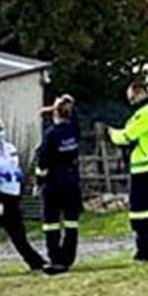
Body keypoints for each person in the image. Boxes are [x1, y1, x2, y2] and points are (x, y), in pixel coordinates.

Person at [0, 119, 51, 278]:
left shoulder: (10, 149)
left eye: (2, 129)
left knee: (17, 232)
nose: (1, 132)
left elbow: (15, 167)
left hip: (11, 194)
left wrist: (18, 175)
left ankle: (35, 262)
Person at [109, 80, 148, 262]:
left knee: (139, 211)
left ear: (138, 94)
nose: (131, 103)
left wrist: (112, 134)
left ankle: (144, 252)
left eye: (131, 98)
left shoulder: (145, 114)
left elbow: (127, 136)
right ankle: (146, 248)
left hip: (141, 164)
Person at [33, 94, 82, 270]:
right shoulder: (74, 129)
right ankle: (68, 257)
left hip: (53, 184)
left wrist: (39, 181)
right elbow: (74, 115)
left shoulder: (51, 134)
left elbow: (43, 162)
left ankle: (55, 258)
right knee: (71, 222)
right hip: (72, 182)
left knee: (51, 223)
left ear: (55, 112)